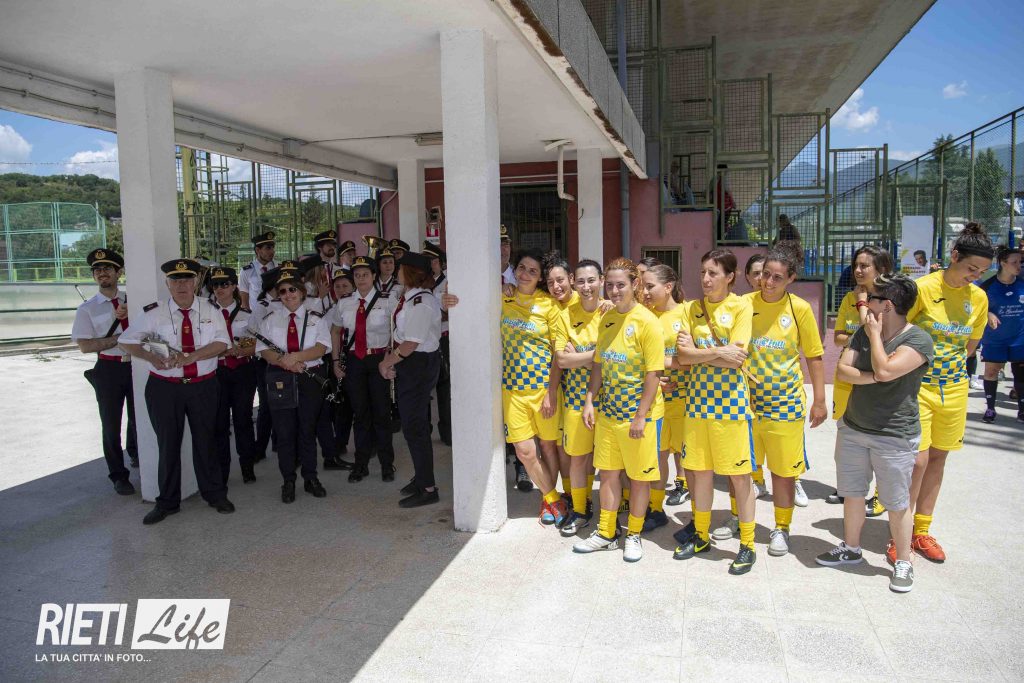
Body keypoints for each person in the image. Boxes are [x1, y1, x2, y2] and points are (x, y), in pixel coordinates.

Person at [817, 274, 933, 593]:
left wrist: (875, 341)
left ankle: (904, 561)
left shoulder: (918, 340)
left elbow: (884, 368)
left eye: (872, 299)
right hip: (854, 428)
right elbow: (844, 371)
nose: (866, 304)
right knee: (853, 493)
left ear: (888, 306)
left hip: (894, 435)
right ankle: (851, 549)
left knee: (896, 502)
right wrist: (878, 376)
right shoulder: (862, 332)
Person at [895, 223, 994, 564]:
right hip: (917, 388)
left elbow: (970, 347)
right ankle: (899, 535)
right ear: (954, 257)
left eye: (981, 272)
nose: (974, 277)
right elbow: (897, 332)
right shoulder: (922, 289)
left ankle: (921, 531)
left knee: (938, 458)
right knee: (917, 461)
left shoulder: (978, 298)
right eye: (971, 269)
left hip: (953, 389)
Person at [119, 258, 235, 525]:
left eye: (187, 280)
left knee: (206, 441)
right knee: (168, 444)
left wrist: (191, 357)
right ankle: (167, 502)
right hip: (165, 388)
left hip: (203, 386)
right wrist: (151, 357)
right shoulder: (154, 313)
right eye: (175, 280)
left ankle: (215, 494)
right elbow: (127, 341)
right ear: (167, 284)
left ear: (195, 282)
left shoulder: (211, 309)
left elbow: (222, 343)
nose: (182, 285)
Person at [672, 248, 758, 575]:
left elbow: (738, 357)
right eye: (703, 272)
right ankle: (701, 535)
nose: (706, 279)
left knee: (739, 477)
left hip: (731, 406)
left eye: (713, 273)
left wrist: (701, 352)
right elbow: (682, 356)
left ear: (730, 276)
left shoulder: (741, 306)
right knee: (700, 473)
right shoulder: (691, 309)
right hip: (697, 405)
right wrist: (719, 352)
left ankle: (747, 544)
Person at [572, 258, 663, 562]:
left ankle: (634, 534)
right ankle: (606, 532)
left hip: (638, 418)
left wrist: (641, 416)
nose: (614, 290)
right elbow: (599, 363)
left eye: (620, 284)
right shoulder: (607, 318)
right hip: (609, 415)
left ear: (635, 284)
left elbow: (653, 373)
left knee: (638, 478)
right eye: (610, 285)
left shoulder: (648, 322)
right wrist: (590, 400)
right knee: (609, 475)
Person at [746, 246, 827, 557]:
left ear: (791, 278)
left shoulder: (799, 309)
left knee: (782, 472)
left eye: (777, 277)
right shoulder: (744, 304)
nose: (768, 282)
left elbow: (814, 356)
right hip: (746, 403)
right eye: (765, 274)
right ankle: (740, 519)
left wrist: (819, 400)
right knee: (742, 469)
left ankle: (781, 528)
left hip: (785, 403)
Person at [499, 249, 569, 524]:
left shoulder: (549, 305)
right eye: (522, 268)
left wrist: (551, 392)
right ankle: (553, 498)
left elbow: (557, 355)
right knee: (525, 452)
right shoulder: (503, 297)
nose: (525, 274)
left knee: (548, 448)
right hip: (512, 390)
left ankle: (547, 502)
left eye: (533, 271)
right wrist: (449, 299)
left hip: (543, 390)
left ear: (540, 277)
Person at [826, 245, 895, 512]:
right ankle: (849, 488)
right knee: (846, 434)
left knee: (879, 439)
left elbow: (874, 331)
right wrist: (860, 335)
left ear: (882, 269)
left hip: (877, 378)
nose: (857, 270)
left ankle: (880, 495)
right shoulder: (849, 298)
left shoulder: (891, 300)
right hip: (848, 377)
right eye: (856, 265)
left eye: (864, 266)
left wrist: (863, 304)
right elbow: (838, 338)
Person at [256, 270, 332, 503]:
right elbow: (263, 350)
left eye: (292, 289)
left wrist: (297, 357)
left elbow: (321, 348)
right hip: (281, 377)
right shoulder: (270, 320)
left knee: (307, 430)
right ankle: (288, 480)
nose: (288, 294)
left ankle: (310, 478)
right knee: (285, 432)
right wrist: (285, 362)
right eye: (283, 291)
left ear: (301, 292)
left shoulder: (316, 318)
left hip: (310, 377)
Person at [378, 251, 444, 507]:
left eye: (400, 267)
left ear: (410, 272)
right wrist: (393, 360)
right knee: (414, 426)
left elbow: (411, 343)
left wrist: (387, 362)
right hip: (412, 364)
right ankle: (421, 478)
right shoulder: (410, 298)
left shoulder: (421, 302)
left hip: (418, 364)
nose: (396, 271)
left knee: (415, 427)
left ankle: (428, 488)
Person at [71, 248, 139, 495]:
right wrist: (120, 338)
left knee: (139, 417)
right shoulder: (87, 309)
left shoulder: (134, 300)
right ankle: (118, 475)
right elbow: (85, 346)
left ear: (118, 272)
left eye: (107, 268)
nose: (102, 273)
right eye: (97, 270)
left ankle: (137, 454)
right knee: (111, 425)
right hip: (109, 368)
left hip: (137, 365)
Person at [331, 255, 397, 483]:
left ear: (374, 276)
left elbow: (397, 331)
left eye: (365, 274)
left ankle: (387, 464)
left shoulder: (388, 300)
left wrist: (391, 358)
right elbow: (335, 331)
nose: (361, 279)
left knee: (381, 413)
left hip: (378, 360)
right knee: (360, 414)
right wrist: (335, 361)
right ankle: (361, 464)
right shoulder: (345, 302)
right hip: (354, 361)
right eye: (357, 275)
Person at [555, 259, 605, 536]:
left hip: (609, 399)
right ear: (574, 283)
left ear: (601, 281)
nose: (586, 287)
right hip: (576, 399)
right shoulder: (565, 315)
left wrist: (581, 357)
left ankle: (612, 512)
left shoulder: (611, 311)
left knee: (608, 462)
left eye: (591, 280)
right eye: (581, 281)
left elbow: (615, 358)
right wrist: (597, 356)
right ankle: (580, 508)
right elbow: (562, 360)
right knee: (577, 458)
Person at [641, 264, 689, 530]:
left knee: (689, 459)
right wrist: (656, 379)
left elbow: (692, 358)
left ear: (668, 287)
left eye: (650, 286)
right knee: (658, 457)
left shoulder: (688, 313)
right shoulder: (644, 316)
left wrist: (661, 365)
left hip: (685, 400)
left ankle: (696, 516)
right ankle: (656, 509)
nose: (645, 292)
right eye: (643, 286)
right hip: (657, 402)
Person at [209, 266, 258, 485]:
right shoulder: (207, 315)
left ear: (234, 286)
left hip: (242, 371)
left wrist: (239, 350)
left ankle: (247, 466)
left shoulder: (247, 315)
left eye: (224, 284)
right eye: (215, 285)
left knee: (243, 420)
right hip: (216, 371)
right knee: (219, 423)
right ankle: (223, 470)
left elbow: (253, 343)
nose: (220, 289)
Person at [978, 246, 1024, 422]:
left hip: (1019, 337)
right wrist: (988, 313)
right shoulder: (987, 286)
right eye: (1014, 262)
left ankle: (1022, 411)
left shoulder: (1022, 284)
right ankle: (990, 409)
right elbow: (977, 309)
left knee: (1020, 374)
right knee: (991, 371)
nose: (1019, 265)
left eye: (1020, 262)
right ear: (1003, 263)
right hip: (995, 339)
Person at [424, 242, 452, 446]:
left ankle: (447, 431)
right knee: (425, 387)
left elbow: (450, 312)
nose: (430, 264)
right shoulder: (420, 283)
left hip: (444, 338)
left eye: (433, 260)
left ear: (441, 263)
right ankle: (425, 429)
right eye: (427, 261)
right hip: (425, 340)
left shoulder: (450, 281)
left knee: (445, 386)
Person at [239, 230, 277, 309]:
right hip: (256, 314)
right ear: (257, 250)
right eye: (268, 248)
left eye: (273, 248)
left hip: (276, 314)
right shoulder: (246, 271)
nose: (272, 251)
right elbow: (244, 300)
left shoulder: (278, 269)